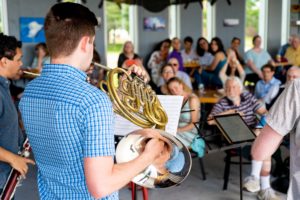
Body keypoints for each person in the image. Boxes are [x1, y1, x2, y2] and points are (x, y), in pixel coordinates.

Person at [19, 3, 166, 200]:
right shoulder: (92, 102)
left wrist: (123, 92)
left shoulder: (30, 92)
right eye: (93, 44)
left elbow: (73, 127)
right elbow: (101, 186)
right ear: (86, 43)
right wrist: (148, 156)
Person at [207, 77, 280, 200]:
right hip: (236, 139)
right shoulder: (222, 103)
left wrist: (265, 120)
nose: (231, 90)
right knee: (265, 147)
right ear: (224, 90)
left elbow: (263, 112)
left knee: (264, 145)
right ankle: (264, 189)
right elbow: (209, 121)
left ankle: (255, 179)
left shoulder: (248, 97)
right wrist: (230, 112)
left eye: (234, 87)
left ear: (240, 89)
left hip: (254, 134)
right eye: (228, 88)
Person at [251, 78, 300, 200]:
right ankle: (263, 184)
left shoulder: (296, 87)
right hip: (279, 129)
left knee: (265, 150)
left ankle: (258, 180)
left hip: (278, 131)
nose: (291, 78)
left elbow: (260, 150)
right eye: (289, 75)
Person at [0, 33, 35, 194]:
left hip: (5, 178)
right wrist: (13, 158)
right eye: (18, 59)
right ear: (4, 61)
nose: (21, 64)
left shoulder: (4, 87)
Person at [166, 77, 200, 147]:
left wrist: (177, 130)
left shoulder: (192, 99)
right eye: (171, 90)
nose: (174, 91)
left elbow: (194, 124)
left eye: (176, 87)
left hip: (190, 131)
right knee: (160, 136)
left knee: (166, 140)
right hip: (176, 129)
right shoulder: (176, 99)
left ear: (181, 85)